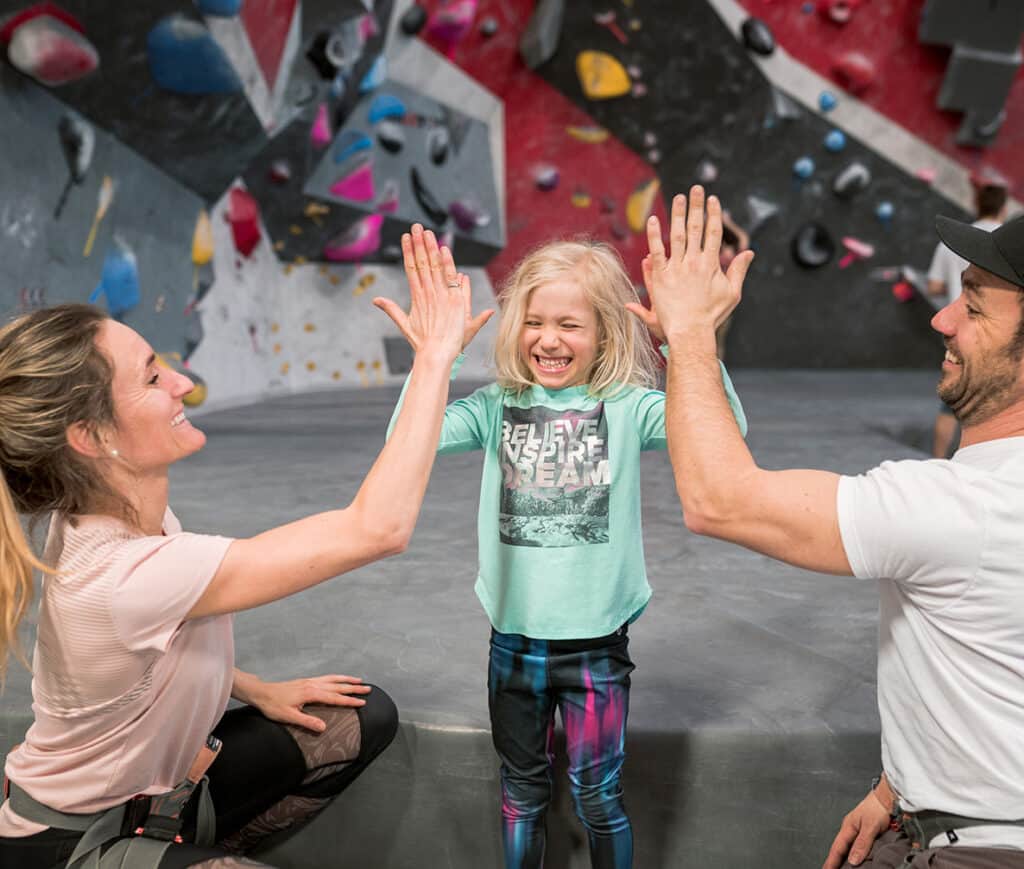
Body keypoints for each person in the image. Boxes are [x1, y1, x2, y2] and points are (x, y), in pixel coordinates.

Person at [0, 229, 467, 869]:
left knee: (359, 718)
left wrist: (251, 687)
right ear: (91, 437)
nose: (183, 382)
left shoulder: (114, 507)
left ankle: (198, 850)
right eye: (153, 377)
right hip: (71, 846)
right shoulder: (124, 574)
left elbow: (156, 643)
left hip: (159, 800)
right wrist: (435, 359)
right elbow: (377, 528)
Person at [638, 185, 1024, 868]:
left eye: (974, 306)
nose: (942, 319)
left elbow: (719, 499)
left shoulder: (968, 506)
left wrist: (690, 330)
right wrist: (900, 789)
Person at [374, 229, 748, 869]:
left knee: (599, 796)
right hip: (514, 643)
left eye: (570, 325)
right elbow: (410, 440)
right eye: (535, 322)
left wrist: (686, 342)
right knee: (521, 793)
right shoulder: (496, 405)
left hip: (597, 647)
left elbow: (727, 430)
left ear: (604, 333)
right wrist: (435, 360)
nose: (549, 339)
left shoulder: (627, 407)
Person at [927, 173, 1008, 457]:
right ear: (1004, 207)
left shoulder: (949, 244)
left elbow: (933, 286)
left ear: (977, 204)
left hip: (959, 333)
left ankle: (939, 462)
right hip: (996, 334)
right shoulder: (1008, 246)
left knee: (951, 403)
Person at [714, 210, 750, 360]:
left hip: (722, 303)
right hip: (710, 302)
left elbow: (743, 239)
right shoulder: (715, 255)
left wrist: (727, 222)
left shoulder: (730, 257)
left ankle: (717, 369)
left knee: (718, 342)